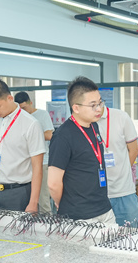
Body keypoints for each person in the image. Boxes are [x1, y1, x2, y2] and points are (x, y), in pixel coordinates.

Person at [48, 76, 115, 224]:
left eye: (100, 103)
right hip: (79, 216)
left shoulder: (93, 126)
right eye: (93, 105)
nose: (99, 109)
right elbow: (53, 183)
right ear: (76, 108)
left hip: (104, 209)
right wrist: (64, 204)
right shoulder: (62, 136)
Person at [0, 79, 45, 212]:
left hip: (19, 193)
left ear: (10, 98)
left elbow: (37, 166)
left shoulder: (30, 124)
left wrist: (33, 202)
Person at [98, 104, 138, 226]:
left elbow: (134, 150)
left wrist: (122, 171)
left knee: (130, 234)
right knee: (100, 235)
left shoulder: (121, 117)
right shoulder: (84, 121)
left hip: (124, 191)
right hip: (97, 194)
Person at [14, 91, 55, 213]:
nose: (22, 111)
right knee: (26, 198)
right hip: (24, 163)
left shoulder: (42, 114)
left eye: (24, 108)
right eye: (19, 109)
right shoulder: (18, 118)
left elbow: (49, 135)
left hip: (42, 162)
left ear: (30, 103)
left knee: (43, 198)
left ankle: (47, 222)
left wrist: (31, 134)